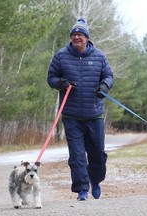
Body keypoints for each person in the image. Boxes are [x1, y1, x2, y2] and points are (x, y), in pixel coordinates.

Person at [47, 18, 113, 201]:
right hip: (71, 115)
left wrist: (104, 87)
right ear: (71, 37)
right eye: (74, 34)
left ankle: (96, 181)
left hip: (95, 113)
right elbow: (51, 78)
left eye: (80, 34)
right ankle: (82, 189)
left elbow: (109, 76)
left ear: (86, 38)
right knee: (77, 156)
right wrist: (62, 83)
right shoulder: (61, 56)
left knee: (97, 153)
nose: (77, 37)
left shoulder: (99, 56)